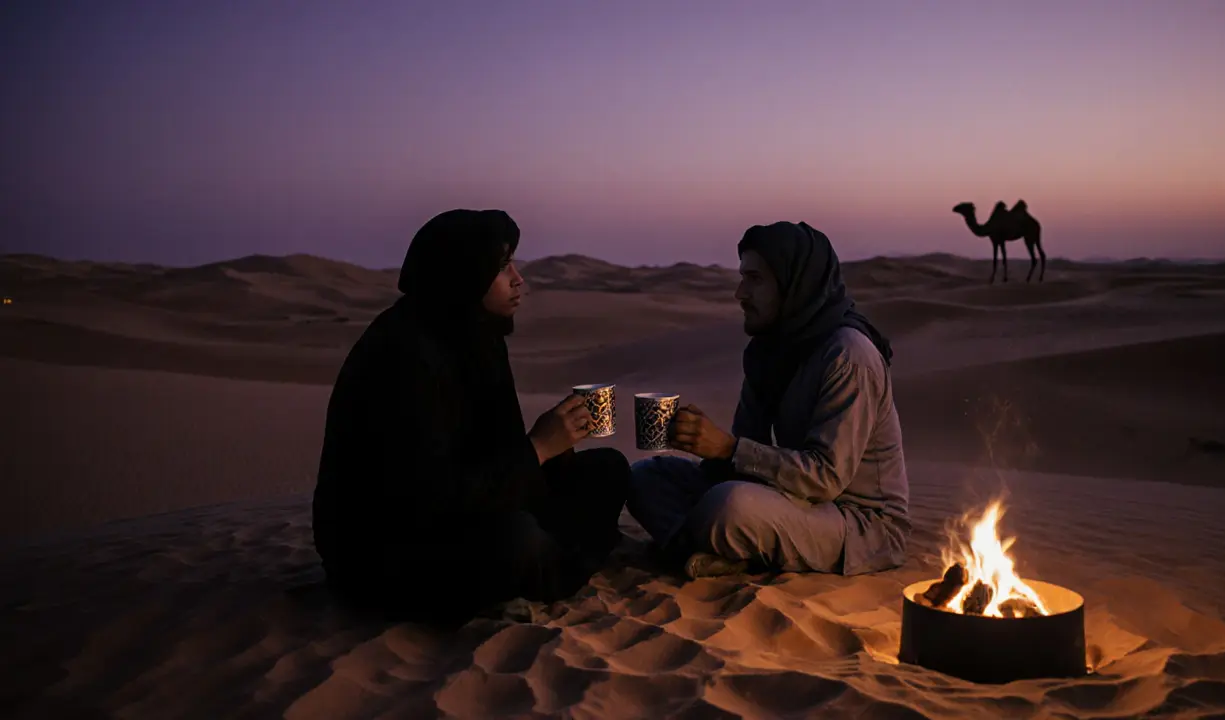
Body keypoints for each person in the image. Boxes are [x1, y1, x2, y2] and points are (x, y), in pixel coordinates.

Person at [312, 209, 630, 624]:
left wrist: (554, 450)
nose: (519, 279)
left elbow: (494, 456)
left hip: (475, 508)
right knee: (517, 541)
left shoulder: (478, 333)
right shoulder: (404, 356)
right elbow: (430, 499)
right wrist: (536, 449)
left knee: (607, 470)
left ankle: (547, 563)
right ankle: (547, 569)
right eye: (501, 267)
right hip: (393, 549)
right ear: (463, 274)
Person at [627, 221, 910, 579]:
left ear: (793, 284)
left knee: (730, 506)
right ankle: (725, 547)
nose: (740, 293)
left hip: (859, 523)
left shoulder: (849, 356)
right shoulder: (769, 352)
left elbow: (826, 477)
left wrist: (728, 449)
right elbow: (747, 450)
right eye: (742, 277)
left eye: (755, 279)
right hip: (789, 499)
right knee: (645, 477)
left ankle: (711, 544)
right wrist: (701, 444)